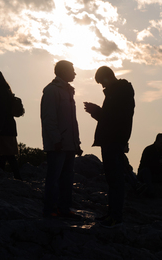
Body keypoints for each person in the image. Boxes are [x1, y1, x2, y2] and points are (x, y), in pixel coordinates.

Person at [84, 66, 135, 228]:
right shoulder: (117, 92)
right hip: (111, 140)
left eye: (102, 83)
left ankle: (115, 216)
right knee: (112, 179)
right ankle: (112, 214)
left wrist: (96, 111)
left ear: (107, 78)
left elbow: (114, 119)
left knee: (116, 180)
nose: (102, 87)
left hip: (114, 140)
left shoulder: (121, 93)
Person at [41, 60, 82, 219]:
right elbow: (48, 118)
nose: (75, 73)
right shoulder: (52, 90)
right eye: (72, 70)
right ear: (63, 71)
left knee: (67, 178)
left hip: (69, 144)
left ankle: (64, 208)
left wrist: (76, 143)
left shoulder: (68, 91)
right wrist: (56, 140)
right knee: (54, 178)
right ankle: (50, 209)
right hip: (58, 144)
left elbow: (73, 121)